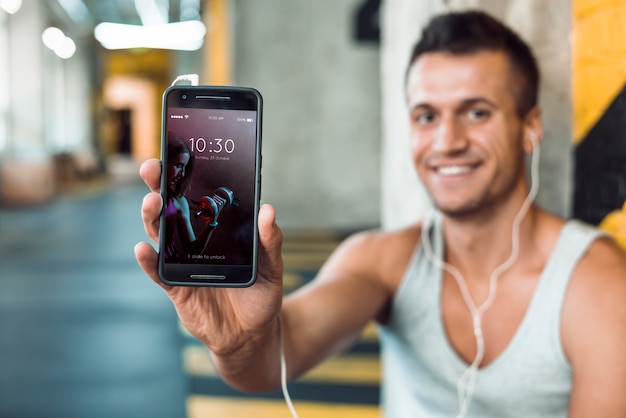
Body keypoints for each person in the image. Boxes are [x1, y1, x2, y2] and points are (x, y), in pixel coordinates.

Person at [135, 10, 626, 418]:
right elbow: (265, 367)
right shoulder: (383, 260)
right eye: (426, 115)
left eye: (477, 112)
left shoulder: (594, 282)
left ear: (530, 126)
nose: (446, 141)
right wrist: (237, 342)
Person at [163, 134, 224, 262]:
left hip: (171, 265)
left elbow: (192, 252)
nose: (183, 174)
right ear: (164, 161)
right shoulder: (152, 195)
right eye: (179, 166)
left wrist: (211, 222)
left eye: (184, 167)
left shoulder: (179, 201)